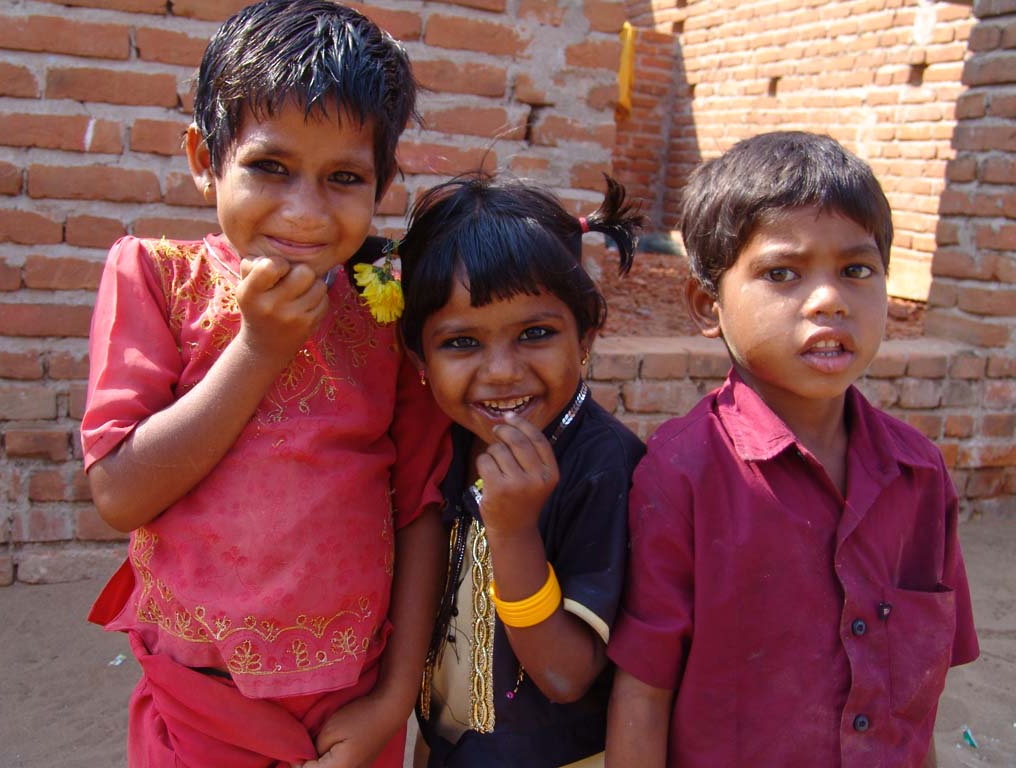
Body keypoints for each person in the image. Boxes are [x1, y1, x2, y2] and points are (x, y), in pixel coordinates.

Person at [80, 2, 451, 766]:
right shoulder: (155, 277)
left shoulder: (388, 304)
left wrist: (390, 701)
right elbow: (121, 493)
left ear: (382, 182)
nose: (305, 212)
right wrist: (258, 349)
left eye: (343, 177)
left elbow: (421, 510)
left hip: (350, 699)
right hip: (200, 697)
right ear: (203, 158)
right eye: (269, 167)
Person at [604, 131, 980, 768]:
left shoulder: (919, 474)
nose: (830, 300)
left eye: (856, 270)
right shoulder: (684, 473)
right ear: (708, 304)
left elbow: (916, 704)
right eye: (782, 273)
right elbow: (644, 690)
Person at [397, 172, 646, 767]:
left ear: (585, 336)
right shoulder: (445, 442)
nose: (503, 372)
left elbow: (564, 674)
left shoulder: (604, 467)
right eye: (461, 343)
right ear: (419, 359)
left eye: (535, 334)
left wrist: (513, 531)